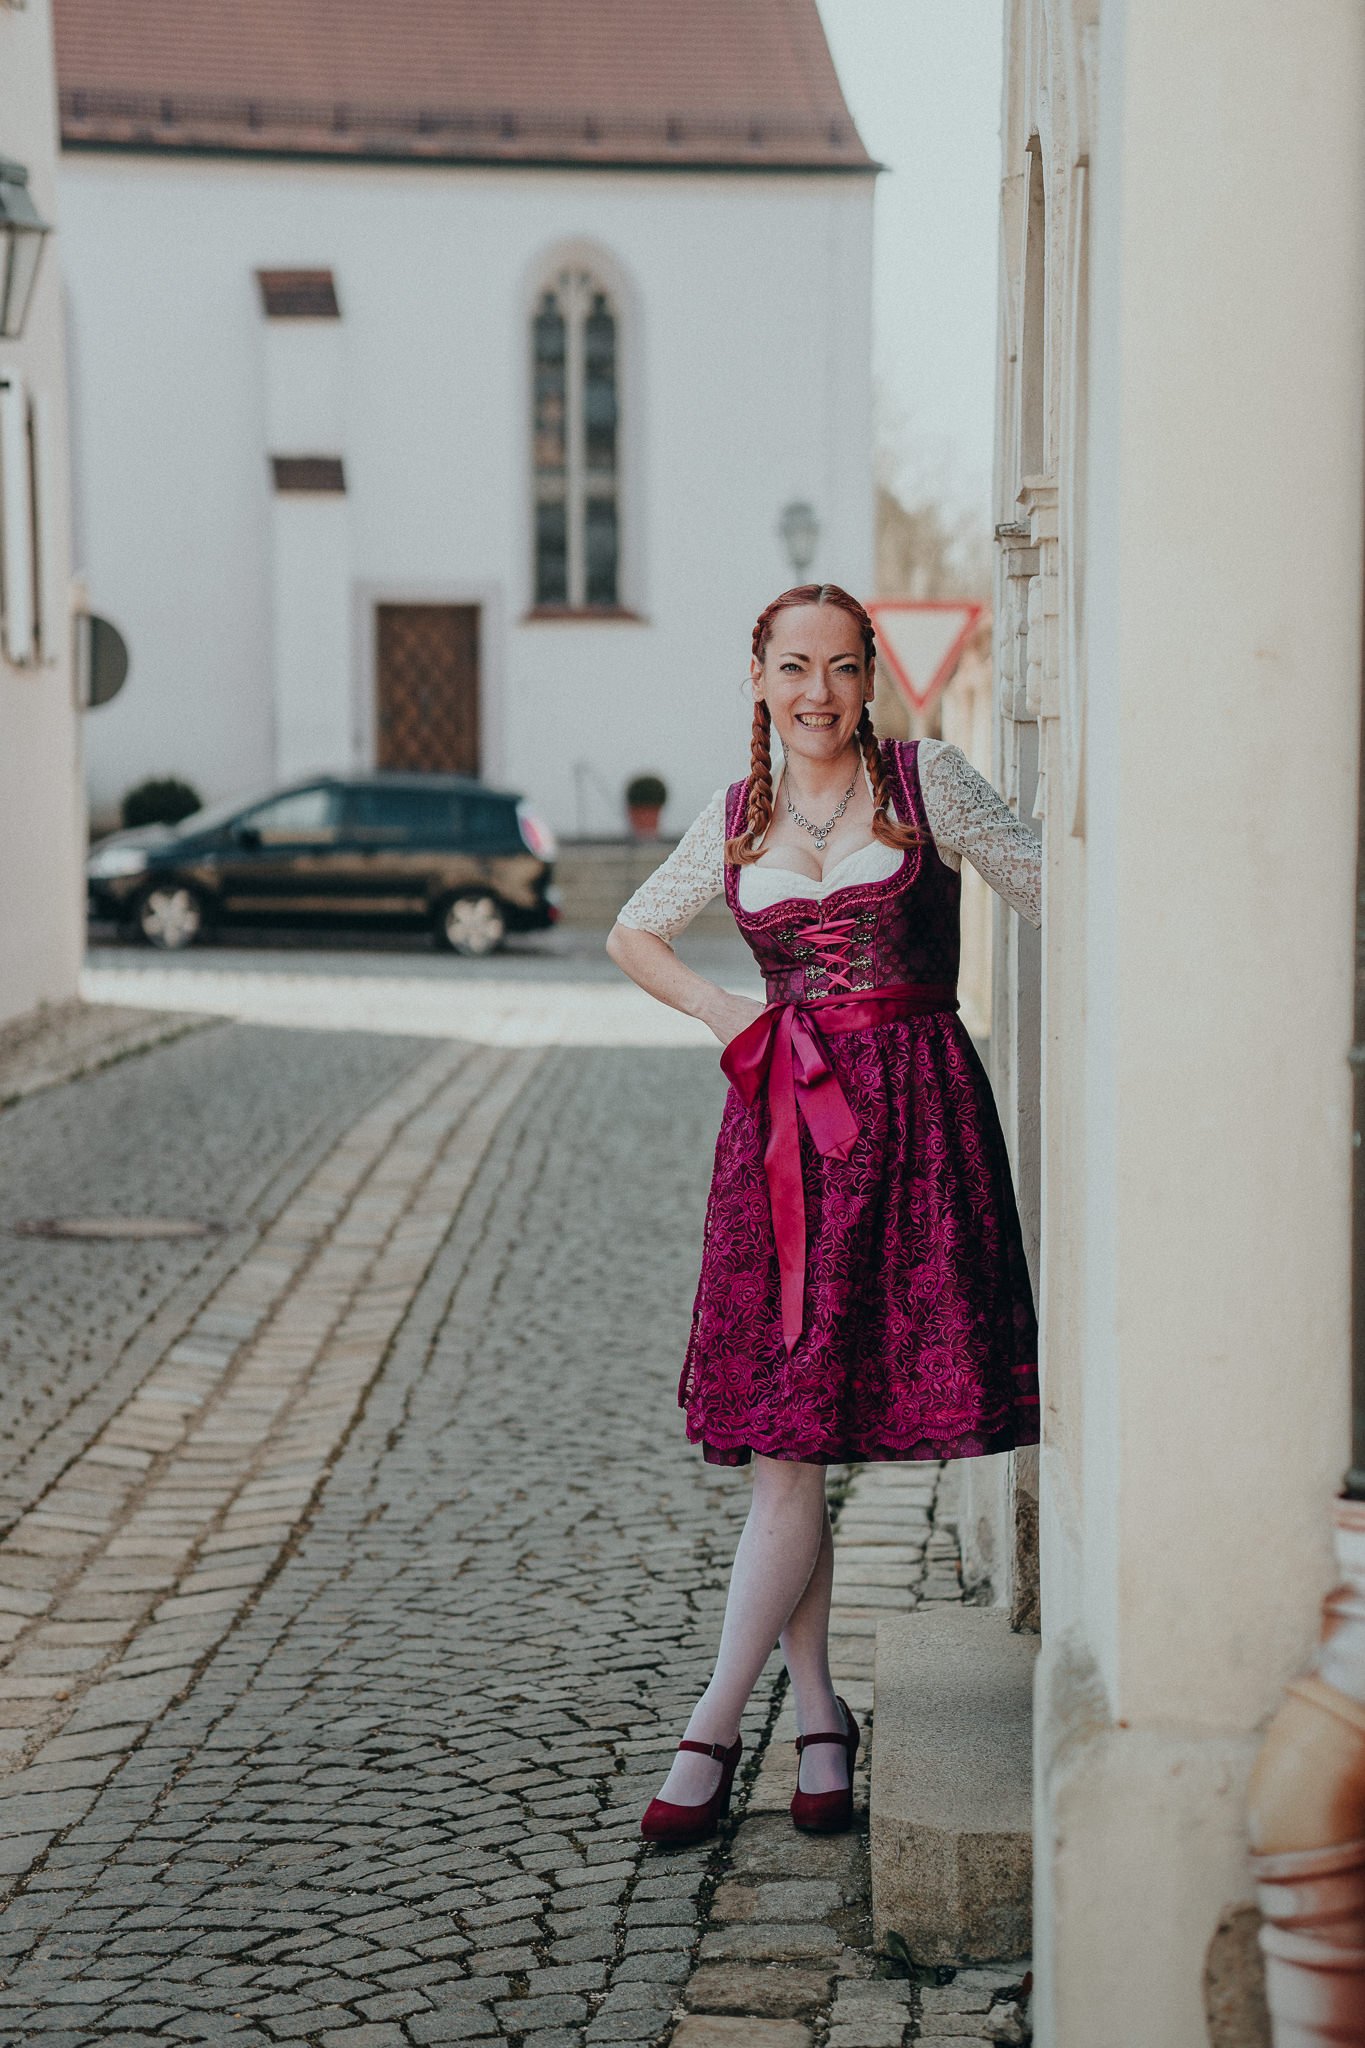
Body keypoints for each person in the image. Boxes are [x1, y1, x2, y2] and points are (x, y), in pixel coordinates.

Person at [606, 582, 1042, 1847]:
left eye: (842, 668)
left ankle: (718, 1720)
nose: (818, 693)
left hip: (914, 1139)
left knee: (805, 1446)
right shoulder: (735, 816)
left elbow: (1056, 886)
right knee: (788, 1447)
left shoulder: (927, 783)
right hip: (783, 1151)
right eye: (793, 667)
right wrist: (725, 1010)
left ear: (869, 678)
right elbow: (637, 936)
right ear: (757, 674)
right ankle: (814, 1717)